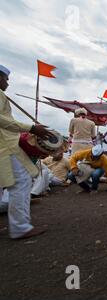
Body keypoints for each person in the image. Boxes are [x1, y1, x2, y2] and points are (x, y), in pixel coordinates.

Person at [0, 65, 54, 239]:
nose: (7, 82)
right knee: (21, 182)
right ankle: (20, 227)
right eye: (6, 78)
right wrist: (31, 128)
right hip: (5, 146)